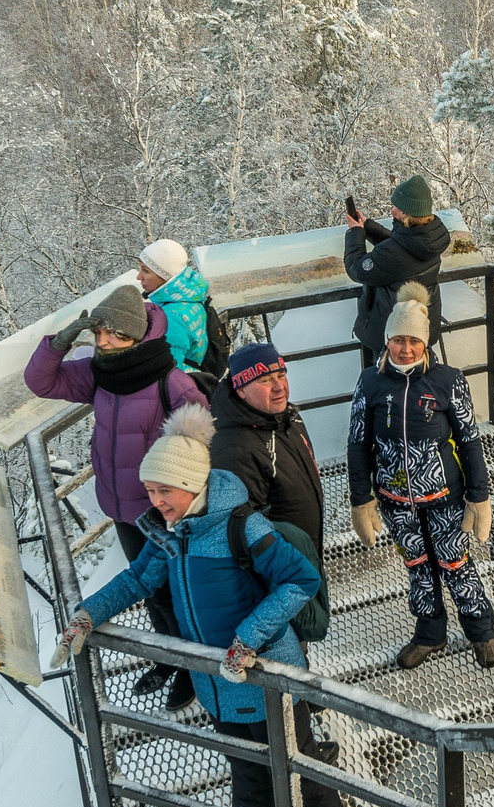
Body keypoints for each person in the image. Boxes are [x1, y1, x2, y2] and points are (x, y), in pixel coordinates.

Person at [53, 407, 356, 807]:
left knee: (297, 764)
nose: (155, 502)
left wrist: (248, 639)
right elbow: (136, 580)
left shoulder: (243, 527)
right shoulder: (173, 535)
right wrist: (87, 615)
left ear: (193, 485)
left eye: (163, 491)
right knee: (242, 758)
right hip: (215, 679)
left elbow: (301, 579)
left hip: (265, 674)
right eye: (150, 491)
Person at [24, 284, 207, 706]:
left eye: (116, 335)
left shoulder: (173, 386)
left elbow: (201, 454)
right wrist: (61, 341)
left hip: (162, 513)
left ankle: (193, 670)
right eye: (100, 333)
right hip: (121, 506)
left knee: (175, 591)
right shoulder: (99, 373)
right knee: (150, 591)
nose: (105, 343)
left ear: (139, 335)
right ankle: (168, 657)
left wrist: (184, 508)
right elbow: (40, 381)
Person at [346, 283, 494, 669]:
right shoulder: (370, 383)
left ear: (425, 343)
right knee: (418, 567)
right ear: (387, 342)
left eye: (414, 341)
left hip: (445, 496)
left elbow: (469, 439)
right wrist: (361, 500)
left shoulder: (446, 380)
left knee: (455, 563)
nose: (406, 349)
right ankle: (430, 634)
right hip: (396, 502)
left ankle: (481, 631)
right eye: (398, 340)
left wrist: (478, 496)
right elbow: (357, 444)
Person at [210, 343, 334, 756]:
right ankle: (303, 750)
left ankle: (301, 696)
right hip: (276, 576)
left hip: (297, 559)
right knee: (283, 648)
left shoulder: (283, 417)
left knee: (297, 643)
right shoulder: (236, 447)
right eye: (264, 380)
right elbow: (245, 528)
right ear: (241, 389)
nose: (278, 386)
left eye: (280, 374)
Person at [345, 178, 451, 361]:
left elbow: (357, 269)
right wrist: (368, 227)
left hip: (394, 336)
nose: (391, 210)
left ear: (405, 212)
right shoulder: (429, 237)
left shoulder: (394, 253)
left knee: (386, 385)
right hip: (422, 328)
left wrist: (355, 233)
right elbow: (401, 246)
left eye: (395, 206)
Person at [137, 239, 226, 380]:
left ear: (165, 276)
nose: (139, 277)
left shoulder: (171, 317)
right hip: (196, 381)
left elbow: (166, 373)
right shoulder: (191, 298)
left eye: (146, 271)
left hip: (181, 391)